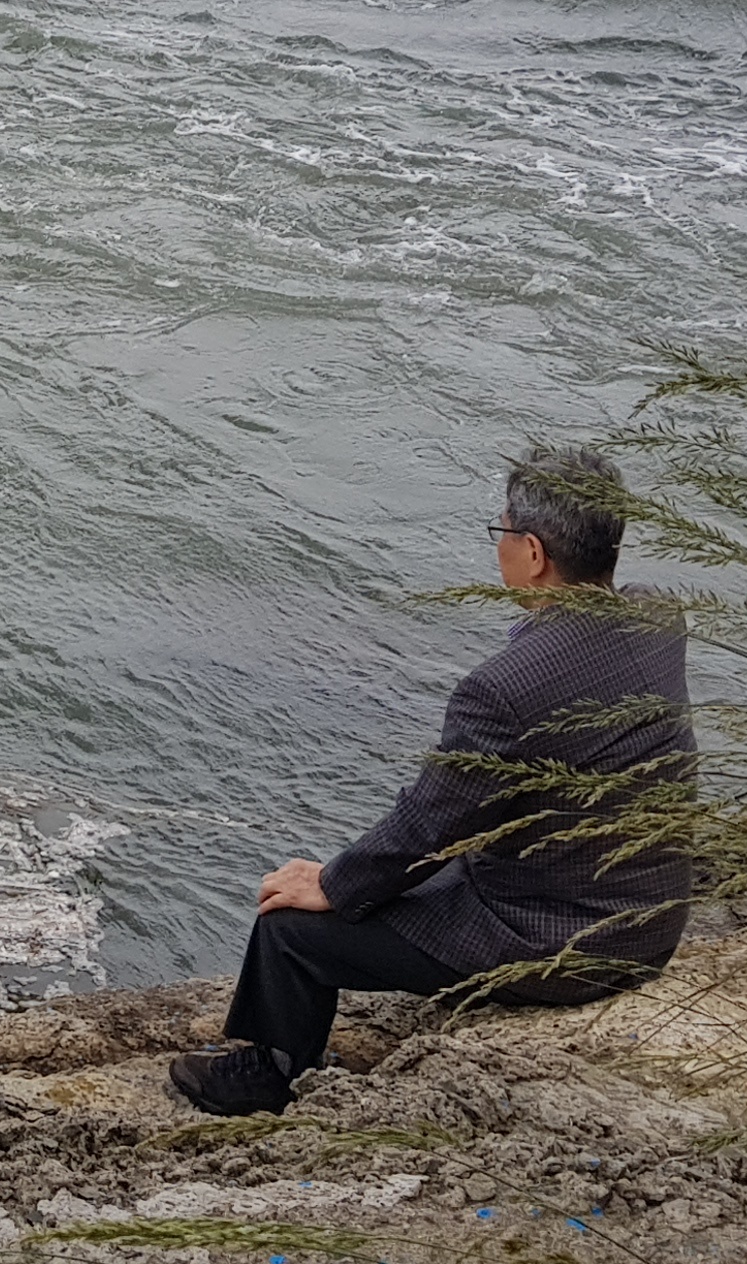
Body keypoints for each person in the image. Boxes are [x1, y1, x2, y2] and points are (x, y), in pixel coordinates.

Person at [169, 446, 695, 1120]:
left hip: (560, 942)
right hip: (648, 925)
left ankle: (268, 1077)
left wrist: (330, 884)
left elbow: (428, 829)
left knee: (292, 928)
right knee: (394, 882)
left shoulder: (503, 688)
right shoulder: (657, 616)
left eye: (502, 532)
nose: (498, 546)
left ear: (532, 552)